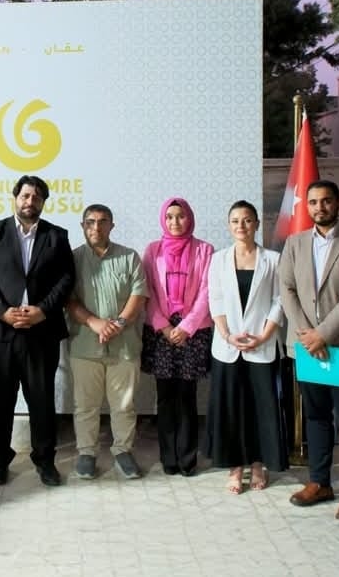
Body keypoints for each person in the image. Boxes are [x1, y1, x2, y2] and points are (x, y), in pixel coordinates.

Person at [278, 179, 339, 520]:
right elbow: (286, 288)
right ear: (307, 206)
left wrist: (323, 334)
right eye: (314, 202)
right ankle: (319, 482)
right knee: (316, 417)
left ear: (338, 203)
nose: (320, 207)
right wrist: (308, 336)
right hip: (306, 348)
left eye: (326, 201)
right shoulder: (294, 243)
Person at [0, 175, 75, 486]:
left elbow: (66, 279)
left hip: (41, 333)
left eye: (37, 197)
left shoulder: (57, 236)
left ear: (43, 202)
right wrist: (3, 312)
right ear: (16, 198)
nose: (30, 202)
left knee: (41, 401)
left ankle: (45, 461)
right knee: (0, 402)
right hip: (0, 334)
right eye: (26, 196)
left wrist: (42, 311)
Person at [207, 200, 287, 494]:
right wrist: (226, 334)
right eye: (235, 221)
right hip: (227, 347)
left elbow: (279, 300)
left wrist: (264, 336)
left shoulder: (273, 259)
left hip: (261, 345)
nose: (241, 225)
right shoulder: (218, 259)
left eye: (247, 220)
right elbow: (214, 298)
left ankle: (257, 465)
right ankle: (235, 467)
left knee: (260, 408)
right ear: (229, 225)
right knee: (231, 408)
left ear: (256, 224)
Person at [64, 203, 148, 481]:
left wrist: (118, 323)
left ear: (112, 226)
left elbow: (139, 294)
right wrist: (94, 322)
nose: (96, 227)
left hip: (124, 345)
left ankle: (123, 450)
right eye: (90, 222)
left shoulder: (129, 257)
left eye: (102, 222)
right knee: (85, 405)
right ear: (82, 226)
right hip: (84, 345)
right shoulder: (72, 259)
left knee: (124, 405)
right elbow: (68, 300)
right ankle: (86, 453)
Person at [140, 196, 214, 477]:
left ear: (189, 218)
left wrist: (186, 327)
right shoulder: (152, 250)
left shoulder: (205, 250)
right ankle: (168, 457)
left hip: (192, 331)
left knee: (187, 396)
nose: (175, 222)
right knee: (165, 397)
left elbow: (207, 291)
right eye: (169, 217)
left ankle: (187, 458)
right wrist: (163, 326)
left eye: (180, 216)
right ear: (163, 219)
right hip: (161, 331)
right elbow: (146, 290)